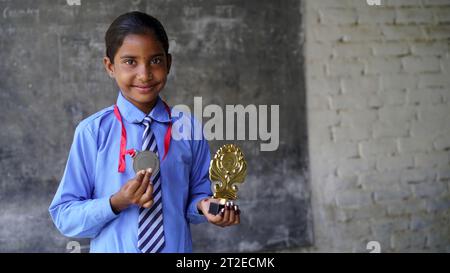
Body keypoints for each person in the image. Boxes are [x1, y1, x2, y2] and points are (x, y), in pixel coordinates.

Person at [49, 11, 240, 253]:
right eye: (130, 62)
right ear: (110, 66)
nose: (145, 74)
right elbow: (65, 216)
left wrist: (208, 207)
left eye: (155, 61)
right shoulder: (92, 132)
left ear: (168, 63)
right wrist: (116, 202)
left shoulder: (188, 129)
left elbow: (195, 199)